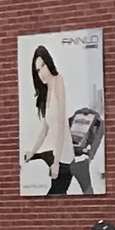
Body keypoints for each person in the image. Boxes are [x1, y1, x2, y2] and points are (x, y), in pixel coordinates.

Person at [22, 43, 69, 194]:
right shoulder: (46, 91)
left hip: (64, 154)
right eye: (37, 70)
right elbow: (45, 129)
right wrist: (33, 151)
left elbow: (61, 123)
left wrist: (56, 163)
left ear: (49, 63)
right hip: (53, 150)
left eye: (43, 66)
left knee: (54, 194)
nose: (41, 72)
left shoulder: (58, 81)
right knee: (28, 160)